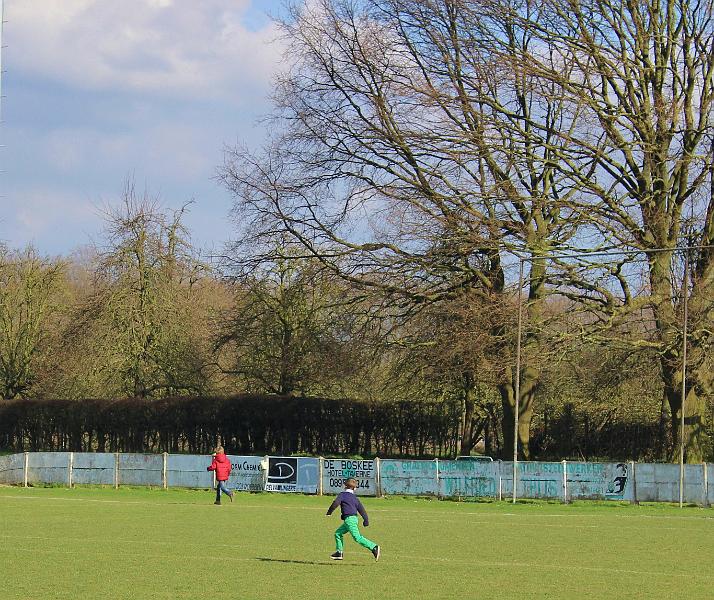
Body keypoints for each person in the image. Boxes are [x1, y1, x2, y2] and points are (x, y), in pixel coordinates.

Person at [326, 478, 380, 561]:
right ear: (355, 488)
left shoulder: (342, 495)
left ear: (344, 486)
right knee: (338, 533)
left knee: (357, 538)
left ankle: (374, 547)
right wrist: (366, 519)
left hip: (349, 520)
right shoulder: (355, 498)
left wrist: (329, 512)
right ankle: (339, 552)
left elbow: (335, 503)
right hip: (353, 519)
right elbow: (361, 509)